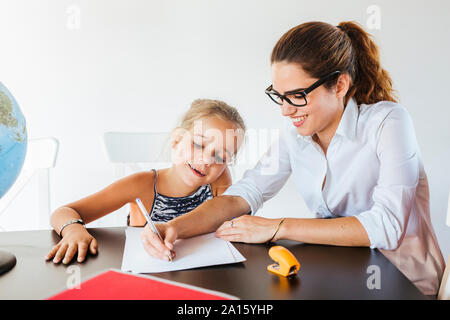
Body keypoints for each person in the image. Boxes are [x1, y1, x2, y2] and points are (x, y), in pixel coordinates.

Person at [142, 21, 445, 295]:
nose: (286, 110)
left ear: (339, 85)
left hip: (406, 282)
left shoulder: (388, 122)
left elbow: (387, 227)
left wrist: (279, 226)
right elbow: (246, 193)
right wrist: (177, 227)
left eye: (298, 95)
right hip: (339, 274)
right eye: (280, 96)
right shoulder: (296, 135)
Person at [46, 98, 246, 264]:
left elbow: (229, 221)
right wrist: (73, 230)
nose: (208, 160)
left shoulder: (219, 179)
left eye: (221, 157)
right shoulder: (142, 185)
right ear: (177, 140)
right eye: (199, 144)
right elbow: (64, 212)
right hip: (146, 274)